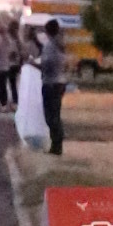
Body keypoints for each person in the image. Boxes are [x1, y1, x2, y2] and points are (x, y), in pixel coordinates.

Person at [36, 15, 70, 155]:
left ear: (47, 31)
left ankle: (56, 145)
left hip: (50, 83)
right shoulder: (61, 45)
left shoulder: (49, 46)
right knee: (56, 113)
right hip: (60, 81)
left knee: (50, 115)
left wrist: (32, 64)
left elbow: (46, 64)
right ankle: (57, 143)